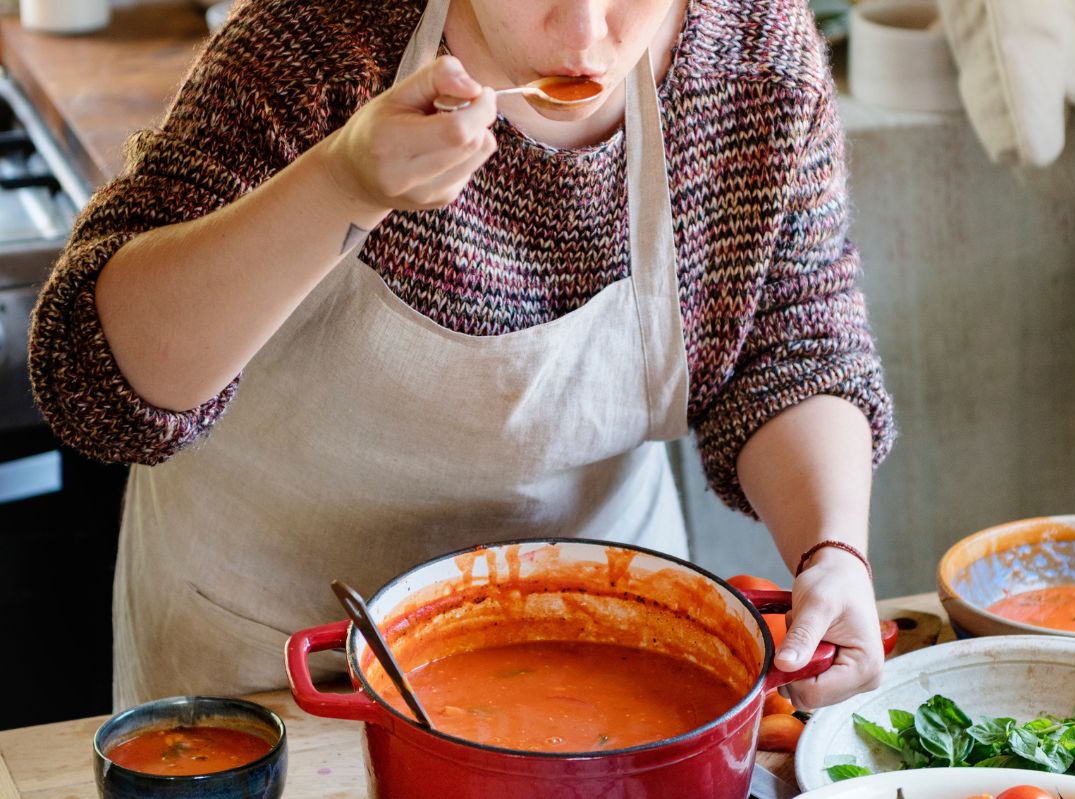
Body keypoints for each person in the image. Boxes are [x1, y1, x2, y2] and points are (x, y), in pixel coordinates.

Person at [29, 0, 896, 711]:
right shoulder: (322, 39)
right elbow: (91, 381)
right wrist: (341, 183)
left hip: (602, 654)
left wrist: (832, 555)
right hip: (275, 672)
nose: (586, 34)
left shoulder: (752, 58)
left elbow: (792, 346)